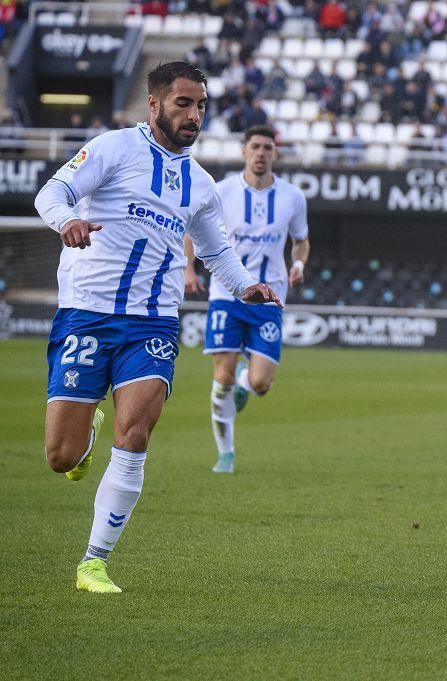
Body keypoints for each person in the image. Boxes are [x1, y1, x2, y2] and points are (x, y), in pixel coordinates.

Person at [33, 62, 281, 594]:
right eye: (183, 104)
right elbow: (49, 195)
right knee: (61, 457)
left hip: (153, 323)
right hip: (87, 314)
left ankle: (93, 562)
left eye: (201, 106)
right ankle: (85, 434)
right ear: (155, 104)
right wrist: (66, 220)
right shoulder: (112, 149)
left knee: (138, 434)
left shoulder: (201, 184)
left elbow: (216, 251)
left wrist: (246, 287)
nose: (194, 115)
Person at [183, 125, 310, 473]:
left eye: (267, 147)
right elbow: (194, 229)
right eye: (255, 146)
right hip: (227, 294)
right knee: (220, 377)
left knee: (260, 384)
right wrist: (188, 269)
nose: (261, 153)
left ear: (275, 154)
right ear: (244, 151)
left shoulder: (292, 197)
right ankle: (226, 453)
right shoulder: (221, 191)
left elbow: (301, 239)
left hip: (271, 299)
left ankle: (245, 381)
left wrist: (298, 263)